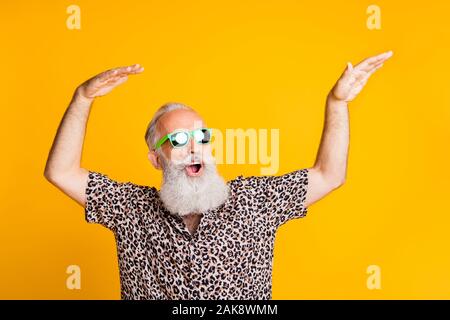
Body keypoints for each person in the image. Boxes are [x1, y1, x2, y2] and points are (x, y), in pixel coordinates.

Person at [44, 51, 393, 299]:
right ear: (156, 158)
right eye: (178, 140)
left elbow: (329, 174)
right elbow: (61, 172)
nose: (194, 147)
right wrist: (82, 98)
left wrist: (337, 103)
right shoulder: (132, 210)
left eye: (202, 136)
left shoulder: (254, 202)